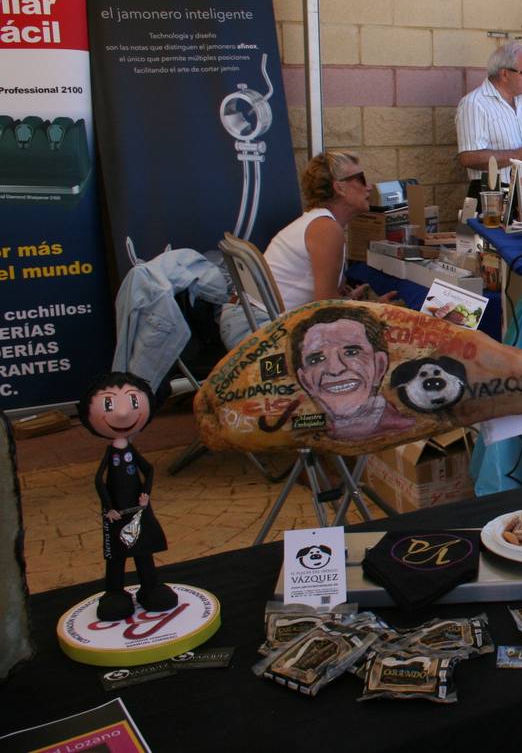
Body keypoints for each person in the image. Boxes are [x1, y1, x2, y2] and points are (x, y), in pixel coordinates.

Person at [217, 151, 392, 348]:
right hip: (258, 329)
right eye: (361, 179)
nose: (369, 187)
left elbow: (324, 300)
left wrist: (353, 302)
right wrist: (372, 311)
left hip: (246, 318)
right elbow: (325, 308)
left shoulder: (318, 222)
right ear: (339, 187)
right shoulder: (326, 228)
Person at [80, 372, 179, 622]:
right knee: (116, 553)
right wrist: (109, 507)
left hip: (138, 509)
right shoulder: (110, 453)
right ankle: (114, 591)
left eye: (134, 402)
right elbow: (99, 480)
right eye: (110, 404)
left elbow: (149, 470)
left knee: (143, 548)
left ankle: (150, 586)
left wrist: (146, 494)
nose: (123, 414)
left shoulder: (132, 451)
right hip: (116, 514)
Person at [290, 306, 416, 441]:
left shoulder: (404, 426)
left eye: (351, 353)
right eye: (317, 359)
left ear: (380, 366)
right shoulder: (305, 424)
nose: (335, 369)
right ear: (305, 381)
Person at [456, 42, 522, 199]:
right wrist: (518, 155)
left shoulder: (521, 105)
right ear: (505, 74)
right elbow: (468, 157)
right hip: (491, 197)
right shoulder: (475, 103)